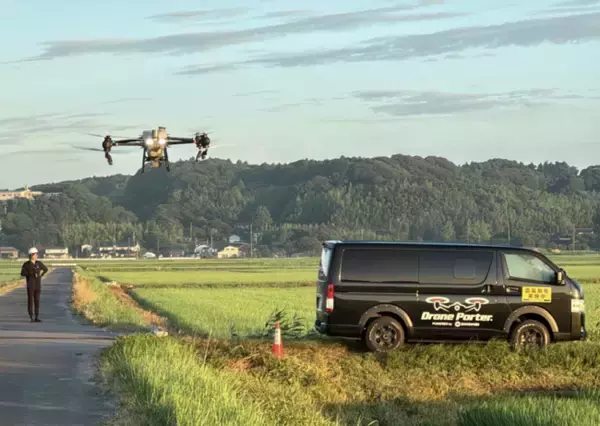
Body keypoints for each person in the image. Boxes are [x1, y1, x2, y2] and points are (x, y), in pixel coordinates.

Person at [20, 247, 48, 322]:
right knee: (30, 301)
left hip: (38, 285)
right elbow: (22, 273)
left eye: (37, 254)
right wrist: (31, 273)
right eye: (35, 254)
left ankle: (37, 317)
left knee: (37, 301)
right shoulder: (26, 264)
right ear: (31, 255)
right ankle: (31, 316)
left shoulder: (39, 263)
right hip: (30, 285)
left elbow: (46, 269)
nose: (37, 255)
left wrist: (41, 275)